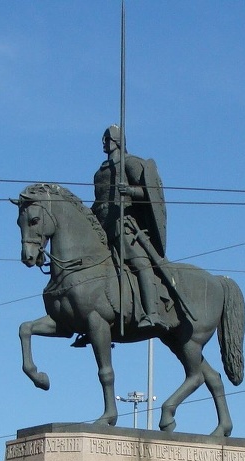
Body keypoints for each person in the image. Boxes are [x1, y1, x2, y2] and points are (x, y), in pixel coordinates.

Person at [92, 125, 169, 329]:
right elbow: (99, 202)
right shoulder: (99, 173)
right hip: (102, 228)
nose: (104, 142)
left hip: (124, 226)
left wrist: (129, 192)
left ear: (118, 140)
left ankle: (153, 314)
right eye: (103, 138)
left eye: (107, 138)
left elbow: (149, 194)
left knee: (141, 264)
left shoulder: (130, 163)